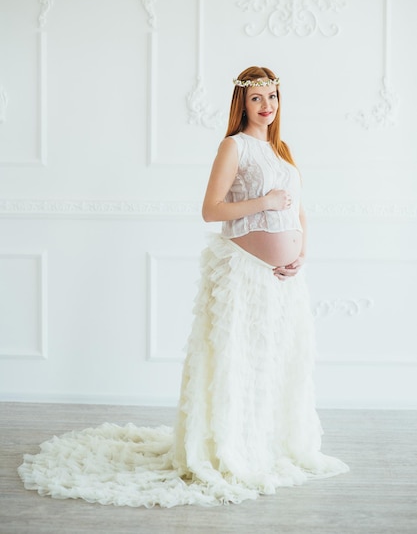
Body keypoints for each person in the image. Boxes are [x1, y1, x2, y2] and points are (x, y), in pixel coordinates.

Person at [18, 66, 349, 508]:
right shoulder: (234, 147)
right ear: (242, 104)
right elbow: (212, 210)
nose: (266, 105)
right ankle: (230, 449)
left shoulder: (283, 150)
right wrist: (266, 201)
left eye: (271, 97)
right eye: (257, 99)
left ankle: (266, 445)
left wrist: (301, 253)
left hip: (283, 280)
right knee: (238, 361)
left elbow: (300, 213)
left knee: (275, 361)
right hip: (243, 273)